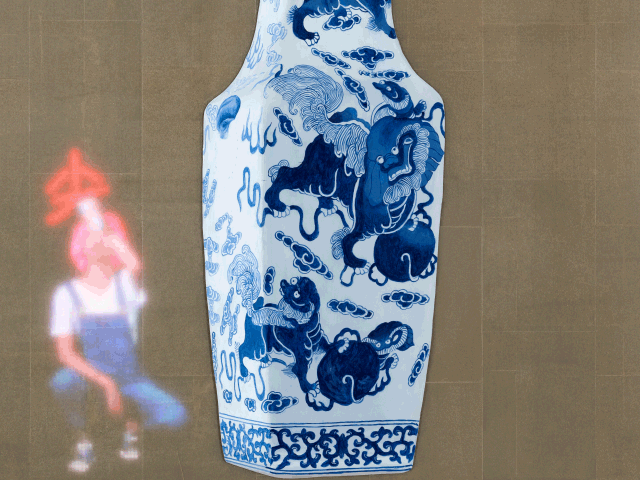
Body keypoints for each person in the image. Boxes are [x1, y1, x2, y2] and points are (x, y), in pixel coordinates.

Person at [48, 197, 187, 473]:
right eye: (89, 236)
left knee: (175, 416)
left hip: (129, 376)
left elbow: (134, 264)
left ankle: (130, 427)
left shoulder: (125, 284)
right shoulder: (66, 293)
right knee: (62, 382)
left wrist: (105, 227)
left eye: (105, 237)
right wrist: (106, 384)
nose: (97, 240)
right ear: (78, 245)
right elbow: (65, 353)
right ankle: (84, 440)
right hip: (91, 373)